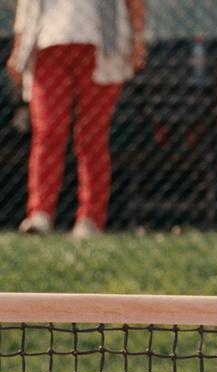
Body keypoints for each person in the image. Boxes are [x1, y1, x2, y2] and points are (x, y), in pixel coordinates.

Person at [7, 0, 146, 238]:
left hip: (103, 46)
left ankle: (90, 219)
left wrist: (138, 39)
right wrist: (19, 49)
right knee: (48, 132)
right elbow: (27, 5)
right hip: (47, 45)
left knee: (91, 137)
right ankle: (39, 214)